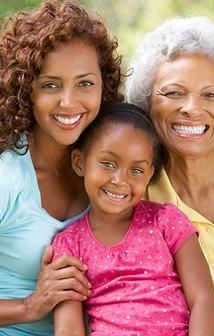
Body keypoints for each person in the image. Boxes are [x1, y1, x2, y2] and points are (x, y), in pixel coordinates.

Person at [0, 1, 123, 335]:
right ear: (26, 90)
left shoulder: (112, 174)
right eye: (50, 85)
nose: (69, 102)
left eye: (84, 83)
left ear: (104, 86)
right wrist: (31, 305)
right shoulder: (7, 178)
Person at [52, 102, 214, 336]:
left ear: (149, 174)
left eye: (136, 170)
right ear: (80, 162)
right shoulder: (70, 245)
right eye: (108, 164)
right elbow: (68, 328)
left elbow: (203, 299)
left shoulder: (166, 221)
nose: (120, 180)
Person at [125, 16, 214, 336]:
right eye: (174, 93)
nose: (192, 108)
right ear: (147, 102)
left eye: (210, 95)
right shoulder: (129, 197)